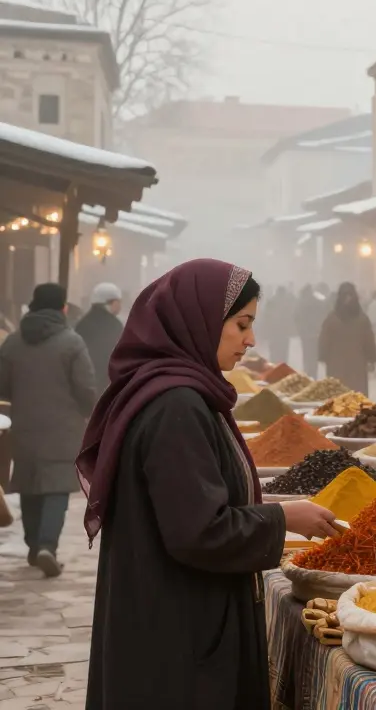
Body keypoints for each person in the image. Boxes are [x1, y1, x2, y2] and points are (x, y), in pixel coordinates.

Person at [80, 259, 341, 709]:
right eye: (241, 324)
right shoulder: (175, 407)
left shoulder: (182, 394)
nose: (251, 340)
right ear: (198, 319)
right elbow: (200, 530)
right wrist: (284, 517)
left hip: (172, 615)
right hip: (179, 636)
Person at [0, 284, 95, 577]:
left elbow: (2, 387)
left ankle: (32, 547)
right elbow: (85, 387)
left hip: (24, 426)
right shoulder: (72, 342)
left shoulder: (13, 343)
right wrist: (90, 412)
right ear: (63, 309)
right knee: (56, 489)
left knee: (28, 485)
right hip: (62, 428)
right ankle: (46, 546)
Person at [318, 283, 376, 395]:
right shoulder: (362, 320)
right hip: (357, 369)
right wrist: (371, 358)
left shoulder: (331, 319)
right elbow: (369, 342)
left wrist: (323, 356)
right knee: (356, 402)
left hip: (336, 368)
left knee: (338, 401)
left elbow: (323, 342)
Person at [76, 283, 125, 399]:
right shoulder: (114, 325)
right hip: (106, 383)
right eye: (119, 302)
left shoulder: (82, 323)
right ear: (111, 302)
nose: (120, 306)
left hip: (85, 382)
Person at [295, 284, 327, 377]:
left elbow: (296, 317)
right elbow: (322, 316)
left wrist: (300, 330)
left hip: (305, 334)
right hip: (314, 334)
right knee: (313, 356)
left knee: (307, 355)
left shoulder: (301, 302)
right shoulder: (317, 302)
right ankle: (313, 374)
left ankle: (307, 374)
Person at [263, 286, 296, 364]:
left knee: (274, 351)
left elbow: (266, 317)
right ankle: (282, 366)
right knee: (283, 352)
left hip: (274, 331)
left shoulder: (271, 301)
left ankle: (274, 366)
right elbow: (291, 316)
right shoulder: (287, 302)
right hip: (283, 332)